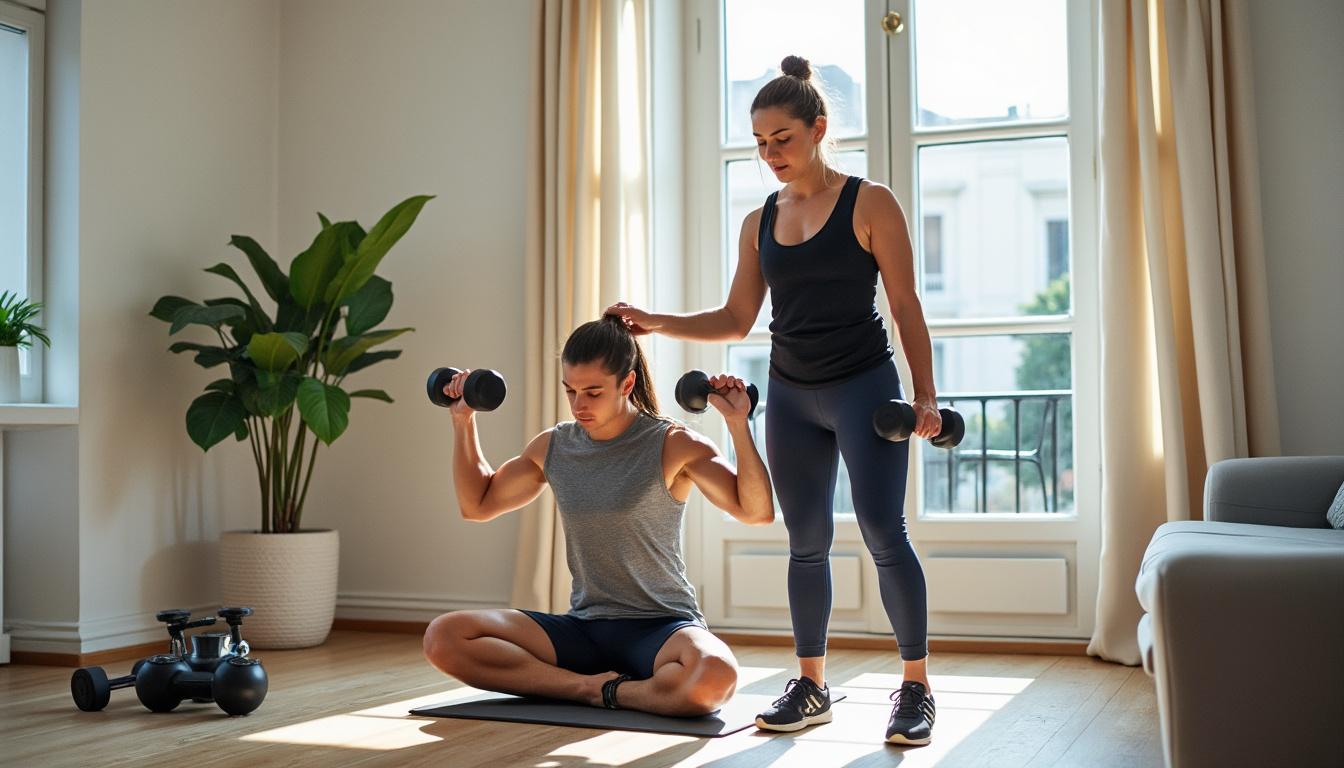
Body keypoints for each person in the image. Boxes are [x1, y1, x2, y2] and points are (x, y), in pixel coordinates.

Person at [605, 55, 942, 744]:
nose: (770, 155)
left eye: (781, 139)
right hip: (792, 392)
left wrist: (926, 399)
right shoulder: (760, 220)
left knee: (883, 533)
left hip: (863, 386)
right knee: (806, 542)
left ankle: (915, 688)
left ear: (817, 129)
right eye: (760, 143)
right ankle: (811, 684)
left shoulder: (869, 201)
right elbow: (736, 318)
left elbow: (906, 305)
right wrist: (655, 320)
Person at [422, 316, 774, 717]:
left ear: (626, 384)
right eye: (570, 391)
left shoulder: (674, 444)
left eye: (592, 392)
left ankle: (612, 693)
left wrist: (736, 424)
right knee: (444, 637)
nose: (578, 405)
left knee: (714, 675)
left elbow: (756, 512)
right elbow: (478, 505)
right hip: (584, 628)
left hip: (660, 628)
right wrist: (462, 420)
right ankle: (588, 689)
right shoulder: (556, 445)